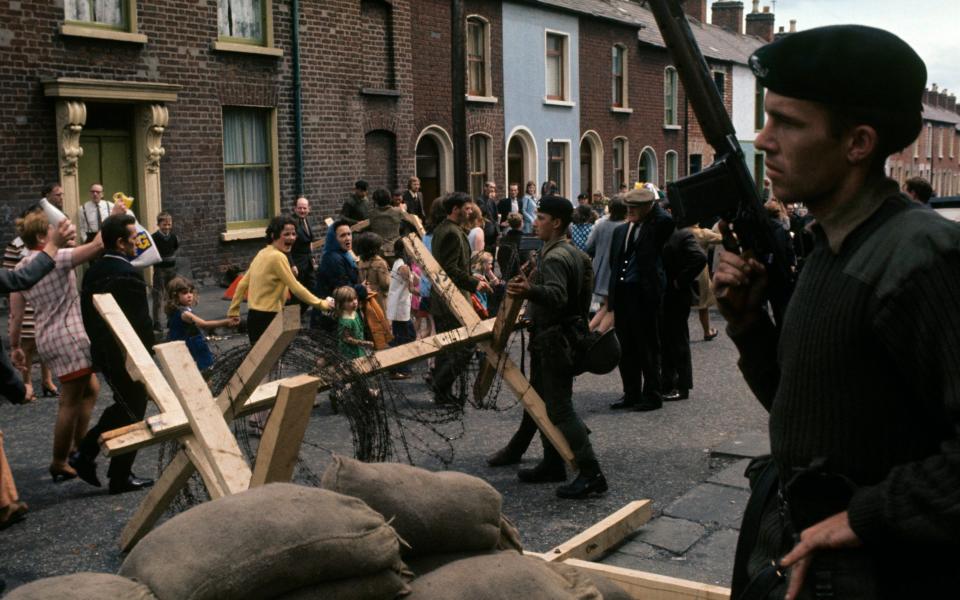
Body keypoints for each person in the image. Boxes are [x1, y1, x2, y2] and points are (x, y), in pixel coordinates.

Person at [717, 26, 960, 599]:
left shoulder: (920, 258)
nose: (763, 139)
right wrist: (752, 328)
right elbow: (807, 414)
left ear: (858, 143)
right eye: (767, 117)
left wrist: (865, 517)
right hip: (806, 557)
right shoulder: (829, 245)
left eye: (789, 123)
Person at [504, 195, 606, 499]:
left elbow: (558, 297)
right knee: (545, 404)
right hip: (563, 338)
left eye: (542, 217)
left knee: (560, 409)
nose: (535, 222)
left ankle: (591, 474)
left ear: (557, 223)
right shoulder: (572, 253)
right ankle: (552, 463)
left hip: (554, 341)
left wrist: (529, 290)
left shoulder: (556, 257)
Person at [13, 212, 104, 482]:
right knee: (69, 401)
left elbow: (16, 315)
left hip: (46, 337)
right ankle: (60, 460)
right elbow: (98, 246)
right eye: (54, 228)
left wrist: (15, 345)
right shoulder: (60, 258)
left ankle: (76, 448)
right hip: (70, 337)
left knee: (90, 389)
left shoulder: (21, 268)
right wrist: (116, 216)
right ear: (43, 237)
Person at [74, 214, 154, 494]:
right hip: (126, 355)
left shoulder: (93, 271)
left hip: (104, 353)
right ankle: (117, 474)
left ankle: (87, 455)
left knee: (125, 406)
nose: (138, 243)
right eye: (134, 238)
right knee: (134, 408)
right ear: (120, 243)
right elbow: (142, 324)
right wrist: (150, 358)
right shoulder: (129, 274)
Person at [607, 186, 674, 412]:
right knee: (625, 348)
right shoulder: (620, 231)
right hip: (624, 294)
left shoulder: (656, 225)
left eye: (636, 207)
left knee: (648, 346)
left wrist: (653, 206)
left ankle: (652, 394)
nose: (630, 211)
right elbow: (614, 264)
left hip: (644, 295)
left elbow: (667, 221)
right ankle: (631, 393)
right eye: (628, 207)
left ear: (648, 207)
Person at [229, 216, 333, 346]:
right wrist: (321, 304)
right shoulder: (278, 257)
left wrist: (234, 311)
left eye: (294, 234)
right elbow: (295, 287)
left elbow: (242, 283)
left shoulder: (262, 253)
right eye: (286, 234)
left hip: (254, 317)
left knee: (259, 362)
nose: (292, 238)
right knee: (273, 360)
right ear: (274, 235)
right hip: (269, 317)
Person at [429, 192, 492, 405]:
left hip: (449, 299)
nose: (470, 211)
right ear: (455, 209)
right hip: (450, 302)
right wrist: (474, 283)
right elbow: (449, 270)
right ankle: (440, 386)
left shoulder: (448, 230)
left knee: (449, 348)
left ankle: (441, 391)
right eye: (466, 208)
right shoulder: (451, 233)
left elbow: (455, 267)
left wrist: (472, 277)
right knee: (462, 347)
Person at [5, 205, 58, 401]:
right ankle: (26, 382)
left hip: (43, 295)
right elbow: (11, 275)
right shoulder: (16, 245)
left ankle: (47, 379)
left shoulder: (51, 245)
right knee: (27, 345)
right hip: (24, 298)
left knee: (43, 341)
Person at [658, 217, 706, 401]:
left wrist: (680, 280)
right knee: (667, 340)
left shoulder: (682, 235)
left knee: (678, 341)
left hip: (676, 295)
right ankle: (668, 382)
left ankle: (682, 385)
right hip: (667, 293)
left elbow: (699, 258)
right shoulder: (668, 235)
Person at [166, 276, 239, 372]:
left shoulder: (180, 310)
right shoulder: (184, 313)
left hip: (187, 344)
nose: (189, 295)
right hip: (191, 346)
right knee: (205, 371)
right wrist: (226, 321)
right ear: (175, 296)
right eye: (184, 293)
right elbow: (204, 324)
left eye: (191, 292)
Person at [585, 195, 626, 332]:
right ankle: (596, 337)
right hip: (616, 271)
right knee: (614, 307)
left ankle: (588, 332)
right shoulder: (626, 227)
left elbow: (589, 246)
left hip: (600, 270)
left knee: (608, 305)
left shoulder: (600, 223)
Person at [386, 238, 418, 379]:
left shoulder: (400, 264)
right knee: (404, 337)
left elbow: (414, 280)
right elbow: (412, 287)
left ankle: (397, 366)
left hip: (400, 305)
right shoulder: (402, 267)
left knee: (406, 335)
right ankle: (399, 369)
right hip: (400, 306)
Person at [689, 223, 722, 341]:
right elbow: (722, 239)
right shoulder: (703, 233)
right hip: (700, 273)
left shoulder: (679, 232)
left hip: (683, 271)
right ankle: (707, 331)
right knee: (703, 305)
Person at [151, 211, 179, 331]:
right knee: (158, 296)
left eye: (169, 224)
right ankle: (157, 322)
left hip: (171, 269)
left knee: (171, 295)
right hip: (160, 270)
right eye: (164, 225)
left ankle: (170, 319)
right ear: (158, 224)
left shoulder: (173, 237)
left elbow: (175, 248)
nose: (167, 227)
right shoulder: (154, 238)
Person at [290, 197, 319, 309]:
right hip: (297, 264)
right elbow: (287, 247)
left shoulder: (307, 220)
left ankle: (301, 312)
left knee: (312, 288)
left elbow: (309, 242)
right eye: (299, 208)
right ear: (295, 209)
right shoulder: (292, 224)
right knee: (297, 292)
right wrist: (292, 264)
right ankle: (294, 318)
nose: (302, 210)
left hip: (308, 263)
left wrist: (311, 257)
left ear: (309, 209)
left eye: (304, 208)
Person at [333, 286, 373, 360]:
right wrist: (364, 343)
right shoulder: (346, 321)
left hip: (359, 347)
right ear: (341, 304)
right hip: (350, 352)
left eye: (355, 299)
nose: (354, 302)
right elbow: (347, 339)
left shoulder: (354, 313)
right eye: (349, 301)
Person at [366, 189, 404, 258]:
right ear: (389, 198)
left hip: (378, 252)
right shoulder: (398, 211)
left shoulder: (371, 214)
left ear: (376, 201)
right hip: (395, 251)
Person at [496, 212, 530, 282]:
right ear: (521, 223)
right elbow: (526, 259)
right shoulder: (525, 240)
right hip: (520, 275)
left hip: (505, 273)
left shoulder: (503, 239)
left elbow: (500, 257)